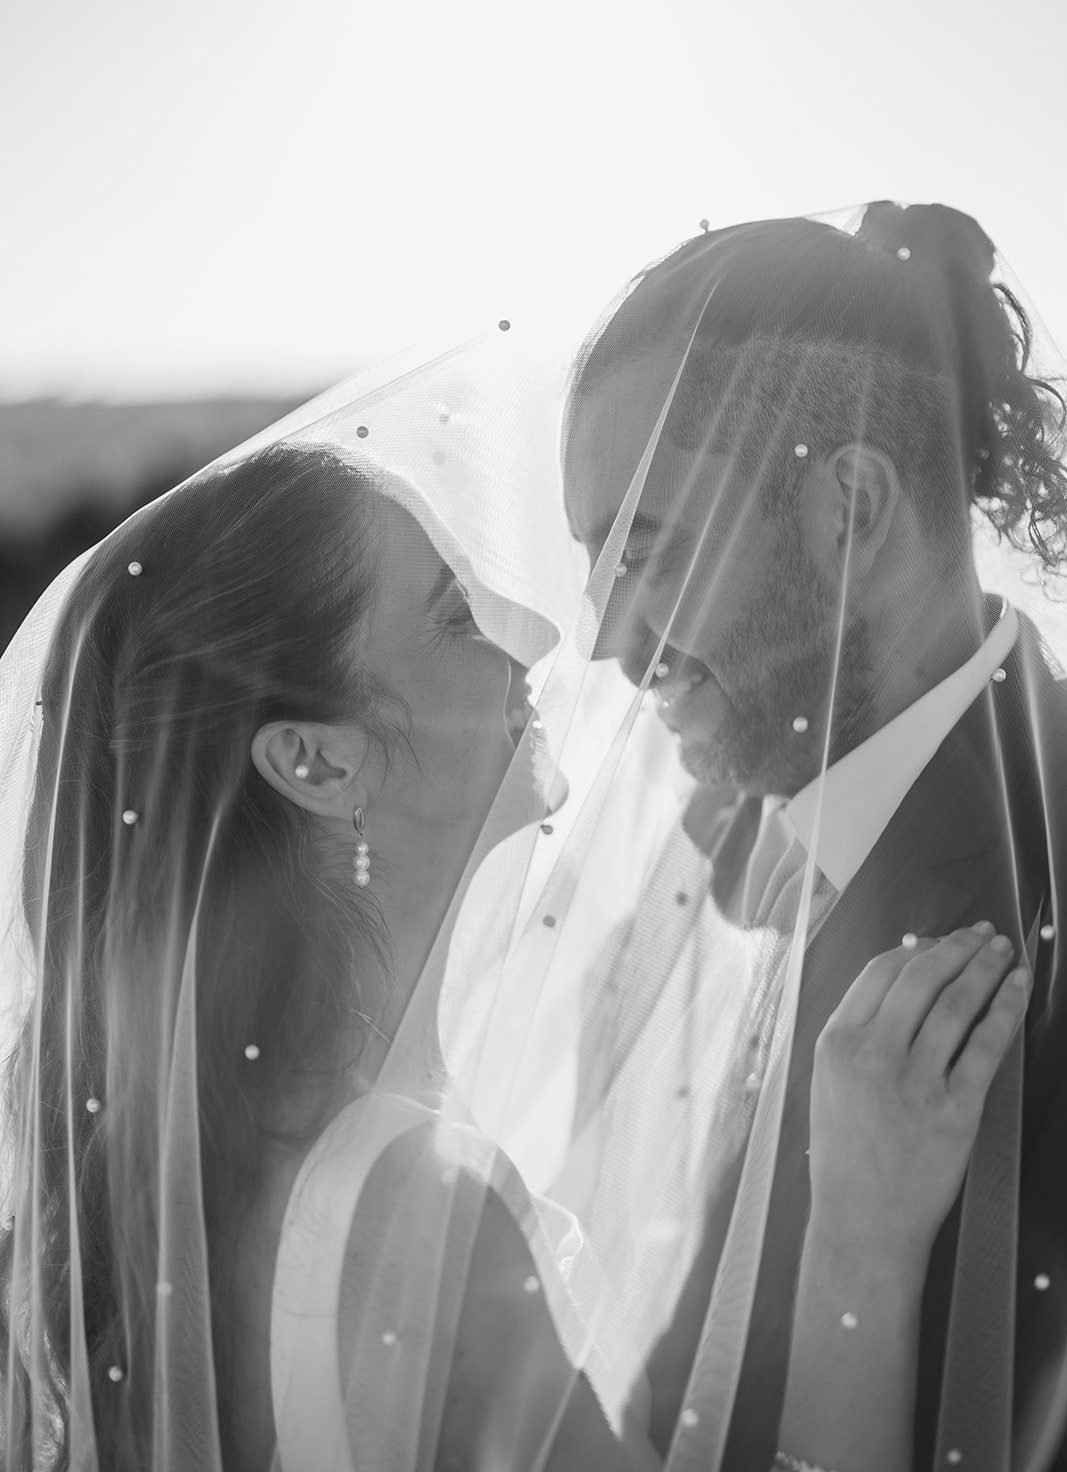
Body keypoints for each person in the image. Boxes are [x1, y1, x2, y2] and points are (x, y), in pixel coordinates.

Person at [0, 359, 1029, 1472]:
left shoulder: (199, 1181)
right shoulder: (411, 1209)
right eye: (457, 617)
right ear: (315, 762)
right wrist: (862, 1244)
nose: (535, 638)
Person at [559, 203, 1067, 1470]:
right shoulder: (712, 840)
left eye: (647, 552)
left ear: (849, 507)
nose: (605, 639)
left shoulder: (1032, 924)